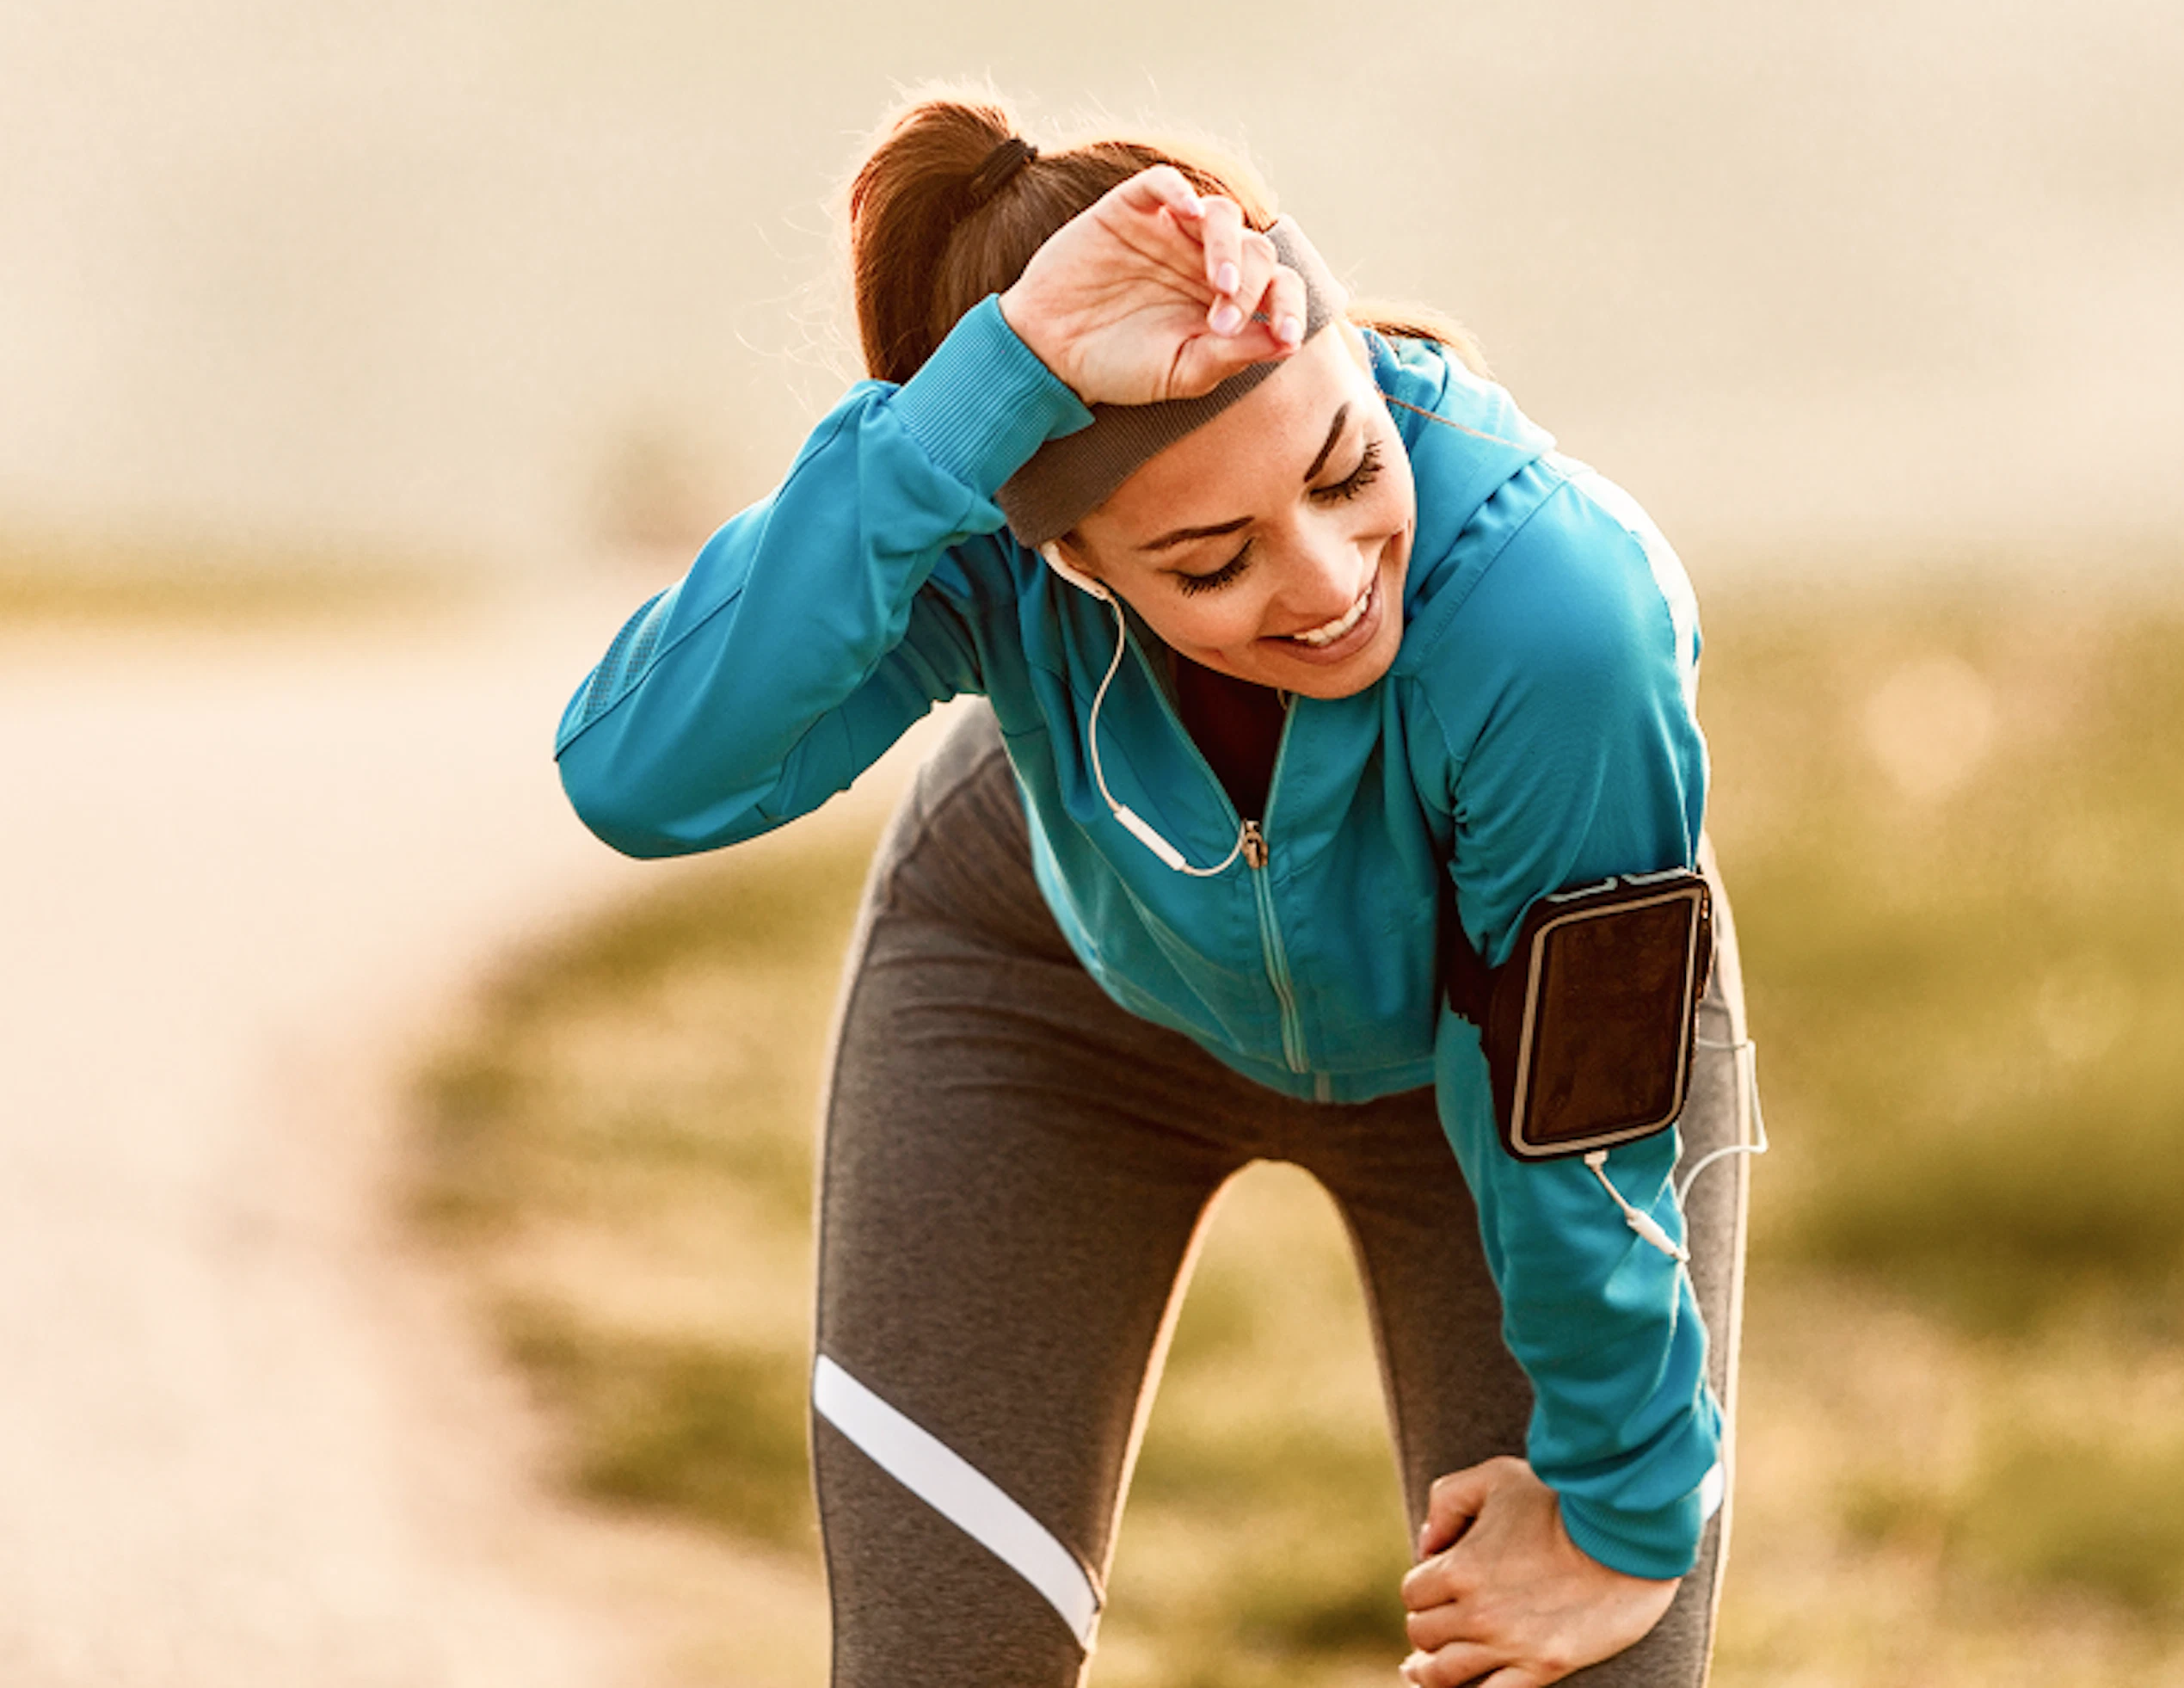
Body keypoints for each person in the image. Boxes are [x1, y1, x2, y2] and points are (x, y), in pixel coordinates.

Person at [553, 87, 1759, 1688]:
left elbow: (1576, 1100)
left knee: (1592, 1654)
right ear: (1065, 559)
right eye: (1209, 563)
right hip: (1047, 998)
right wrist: (957, 422)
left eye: (1347, 468)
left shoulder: (1556, 615)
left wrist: (1621, 1503)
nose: (1329, 585)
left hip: (1506, 1060)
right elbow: (640, 770)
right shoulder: (985, 556)